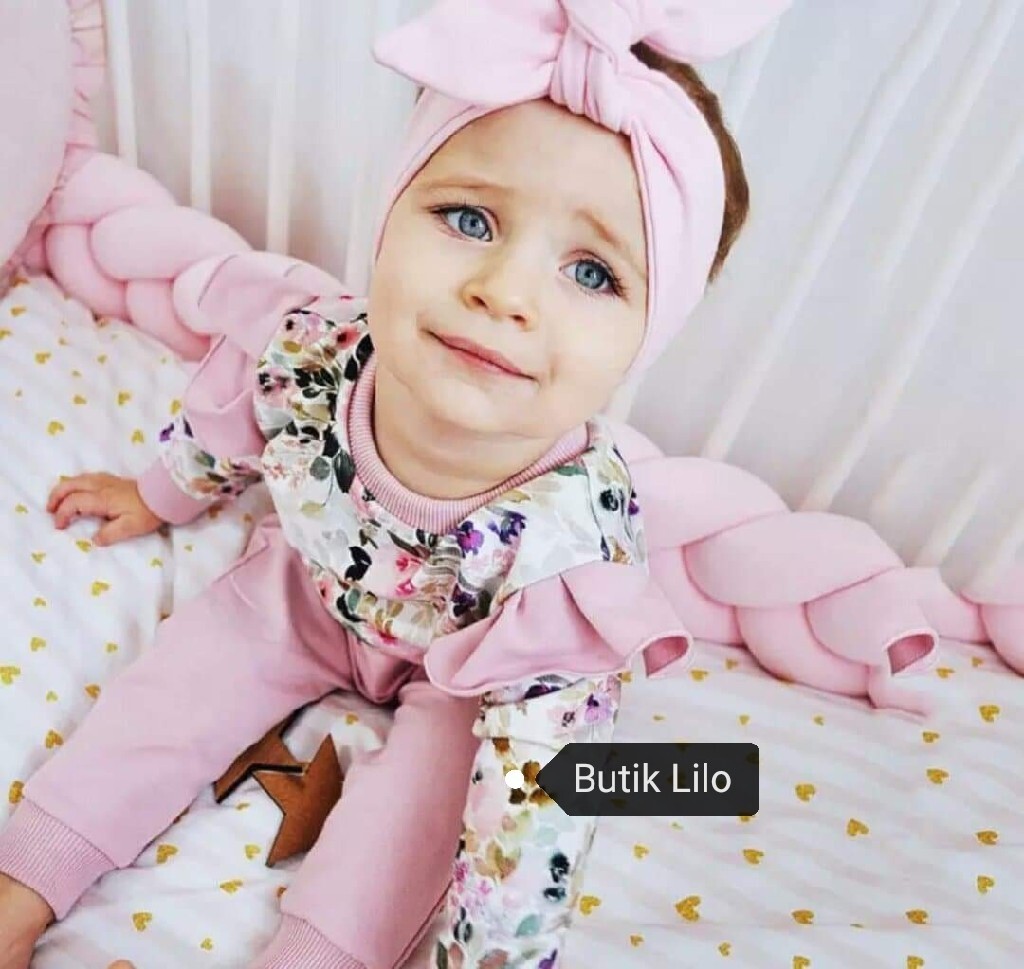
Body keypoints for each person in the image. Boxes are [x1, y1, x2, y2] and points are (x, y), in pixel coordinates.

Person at [0, 1, 793, 966]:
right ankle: (25, 879)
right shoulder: (319, 347)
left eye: (592, 274)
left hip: (475, 678)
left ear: (646, 337)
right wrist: (163, 492)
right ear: (389, 215)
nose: (505, 291)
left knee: (413, 827)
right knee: (172, 690)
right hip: (308, 589)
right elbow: (238, 410)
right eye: (469, 219)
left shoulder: (569, 557)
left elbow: (532, 818)